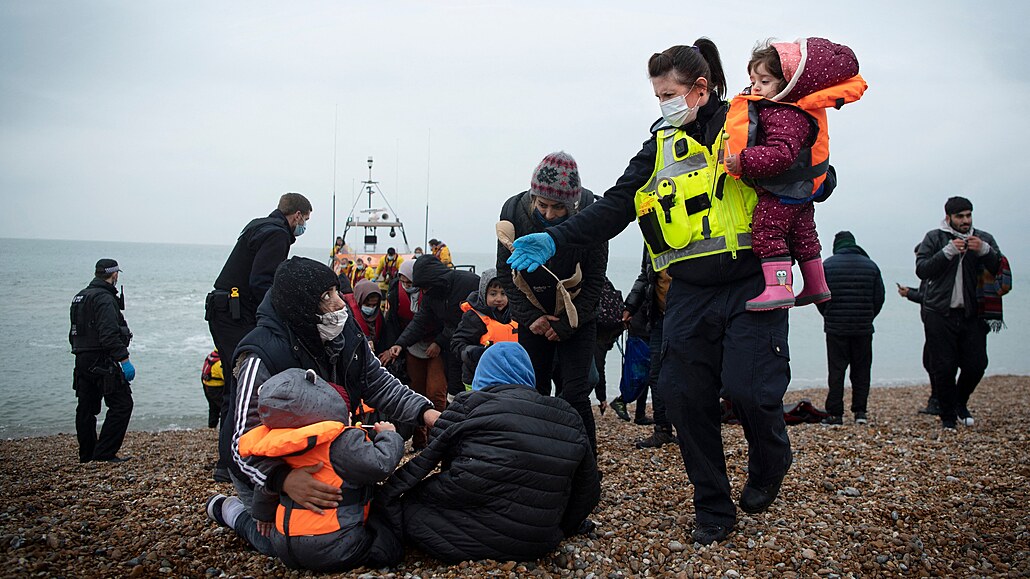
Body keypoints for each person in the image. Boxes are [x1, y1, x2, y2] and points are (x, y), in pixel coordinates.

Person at [506, 39, 795, 545]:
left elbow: (814, 167)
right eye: (657, 95)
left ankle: (772, 457)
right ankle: (713, 509)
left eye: (668, 93)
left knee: (750, 390)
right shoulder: (658, 146)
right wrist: (554, 236)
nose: (663, 103)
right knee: (683, 398)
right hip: (687, 290)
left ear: (699, 90)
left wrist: (795, 172)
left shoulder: (751, 121)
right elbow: (615, 207)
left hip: (753, 280)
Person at [213, 256, 439, 556]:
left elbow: (379, 383)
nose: (339, 304)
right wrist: (282, 480)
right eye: (326, 297)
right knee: (287, 545)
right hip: (269, 468)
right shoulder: (261, 354)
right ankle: (230, 511)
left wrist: (426, 412)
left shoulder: (346, 333)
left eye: (336, 292)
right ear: (301, 305)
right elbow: (240, 442)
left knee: (352, 524)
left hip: (324, 453)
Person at [379, 342, 601, 564]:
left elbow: (435, 457)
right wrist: (562, 526)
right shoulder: (567, 415)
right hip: (539, 541)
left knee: (411, 508)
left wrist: (389, 494)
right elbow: (587, 490)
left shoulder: (469, 404)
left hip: (471, 539)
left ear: (482, 374)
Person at [723, 38, 865, 311]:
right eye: (754, 80)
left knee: (767, 231)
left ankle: (778, 287)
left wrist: (742, 160)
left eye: (764, 81)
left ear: (787, 82)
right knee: (804, 236)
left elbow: (781, 154)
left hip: (781, 191)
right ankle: (816, 284)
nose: (756, 87)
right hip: (801, 192)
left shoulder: (783, 113)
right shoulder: (798, 109)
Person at [222, 368, 404, 571]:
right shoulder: (342, 442)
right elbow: (381, 464)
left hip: (285, 546)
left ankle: (226, 510)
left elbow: (266, 488)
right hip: (334, 545)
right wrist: (389, 435)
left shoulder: (280, 445)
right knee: (388, 545)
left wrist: (263, 516)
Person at [496, 151, 608, 454]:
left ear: (572, 205)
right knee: (533, 390)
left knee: (575, 393)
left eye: (557, 208)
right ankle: (538, 459)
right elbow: (505, 273)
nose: (547, 214)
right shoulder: (512, 209)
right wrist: (531, 316)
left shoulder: (592, 212)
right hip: (532, 310)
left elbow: (596, 279)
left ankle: (586, 467)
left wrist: (570, 324)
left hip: (577, 312)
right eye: (541, 205)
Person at [207, 192, 311, 482]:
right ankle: (232, 462)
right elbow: (262, 282)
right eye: (306, 220)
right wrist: (279, 315)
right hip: (235, 314)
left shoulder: (259, 226)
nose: (304, 227)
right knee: (241, 386)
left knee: (233, 383)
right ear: (298, 215)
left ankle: (228, 459)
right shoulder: (278, 235)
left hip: (223, 310)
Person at [915, 197, 1003, 430]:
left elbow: (999, 268)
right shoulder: (934, 237)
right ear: (949, 218)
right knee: (943, 367)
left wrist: (985, 251)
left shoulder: (984, 239)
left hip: (974, 313)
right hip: (938, 312)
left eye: (968, 215)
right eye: (960, 216)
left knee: (977, 364)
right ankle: (948, 418)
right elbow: (922, 270)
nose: (965, 221)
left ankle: (960, 403)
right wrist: (947, 251)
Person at [386, 255, 480, 400]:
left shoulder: (471, 283)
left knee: (469, 392)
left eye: (425, 287)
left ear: (436, 280)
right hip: (453, 349)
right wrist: (401, 343)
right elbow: (420, 320)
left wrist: (439, 341)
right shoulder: (430, 294)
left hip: (475, 347)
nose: (423, 292)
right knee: (454, 394)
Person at [69, 258, 135, 463]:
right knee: (122, 404)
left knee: (86, 408)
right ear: (114, 275)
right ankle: (104, 453)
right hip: (102, 360)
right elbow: (108, 334)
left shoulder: (80, 296)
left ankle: (87, 454)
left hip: (81, 358)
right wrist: (124, 360)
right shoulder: (105, 299)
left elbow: (74, 332)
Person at [815, 231, 884, 425]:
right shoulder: (871, 266)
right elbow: (879, 298)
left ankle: (835, 414)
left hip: (836, 328)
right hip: (863, 328)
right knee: (862, 371)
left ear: (837, 246)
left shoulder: (827, 265)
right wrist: (868, 316)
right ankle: (860, 412)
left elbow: (819, 295)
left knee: (837, 371)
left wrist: (828, 315)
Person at [380, 259, 447, 450]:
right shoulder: (395, 293)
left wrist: (440, 342)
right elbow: (392, 322)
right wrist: (395, 345)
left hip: (436, 346)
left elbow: (447, 321)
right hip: (411, 346)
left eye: (411, 283)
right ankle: (419, 442)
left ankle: (438, 441)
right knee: (416, 392)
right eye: (404, 283)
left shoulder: (433, 292)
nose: (408, 286)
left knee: (436, 393)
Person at [623, 247, 677, 448]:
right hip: (659, 318)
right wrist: (630, 306)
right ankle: (662, 429)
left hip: (688, 316)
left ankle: (691, 430)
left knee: (689, 375)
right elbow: (646, 275)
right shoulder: (650, 234)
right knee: (656, 375)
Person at [450, 268, 518, 389]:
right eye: (493, 294)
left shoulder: (516, 315)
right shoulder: (474, 317)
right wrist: (472, 352)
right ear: (483, 293)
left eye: (503, 293)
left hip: (509, 378)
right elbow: (457, 344)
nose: (499, 298)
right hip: (478, 378)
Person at [344, 279, 387, 355]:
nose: (371, 308)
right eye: (367, 305)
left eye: (374, 305)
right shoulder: (348, 312)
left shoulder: (378, 314)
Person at [201, 349, 224, 429]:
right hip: (216, 389)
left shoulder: (211, 356)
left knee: (213, 408)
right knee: (225, 408)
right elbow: (227, 379)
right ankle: (224, 427)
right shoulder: (219, 363)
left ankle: (211, 427)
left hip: (207, 386)